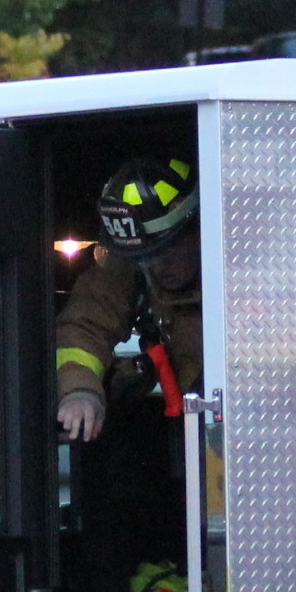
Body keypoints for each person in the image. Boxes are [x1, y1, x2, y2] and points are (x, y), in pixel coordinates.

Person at [55, 156, 203, 444]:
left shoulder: (247, 272)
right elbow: (86, 326)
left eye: (165, 250)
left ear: (196, 230)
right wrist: (80, 391)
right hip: (194, 429)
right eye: (144, 258)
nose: (157, 266)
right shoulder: (135, 260)